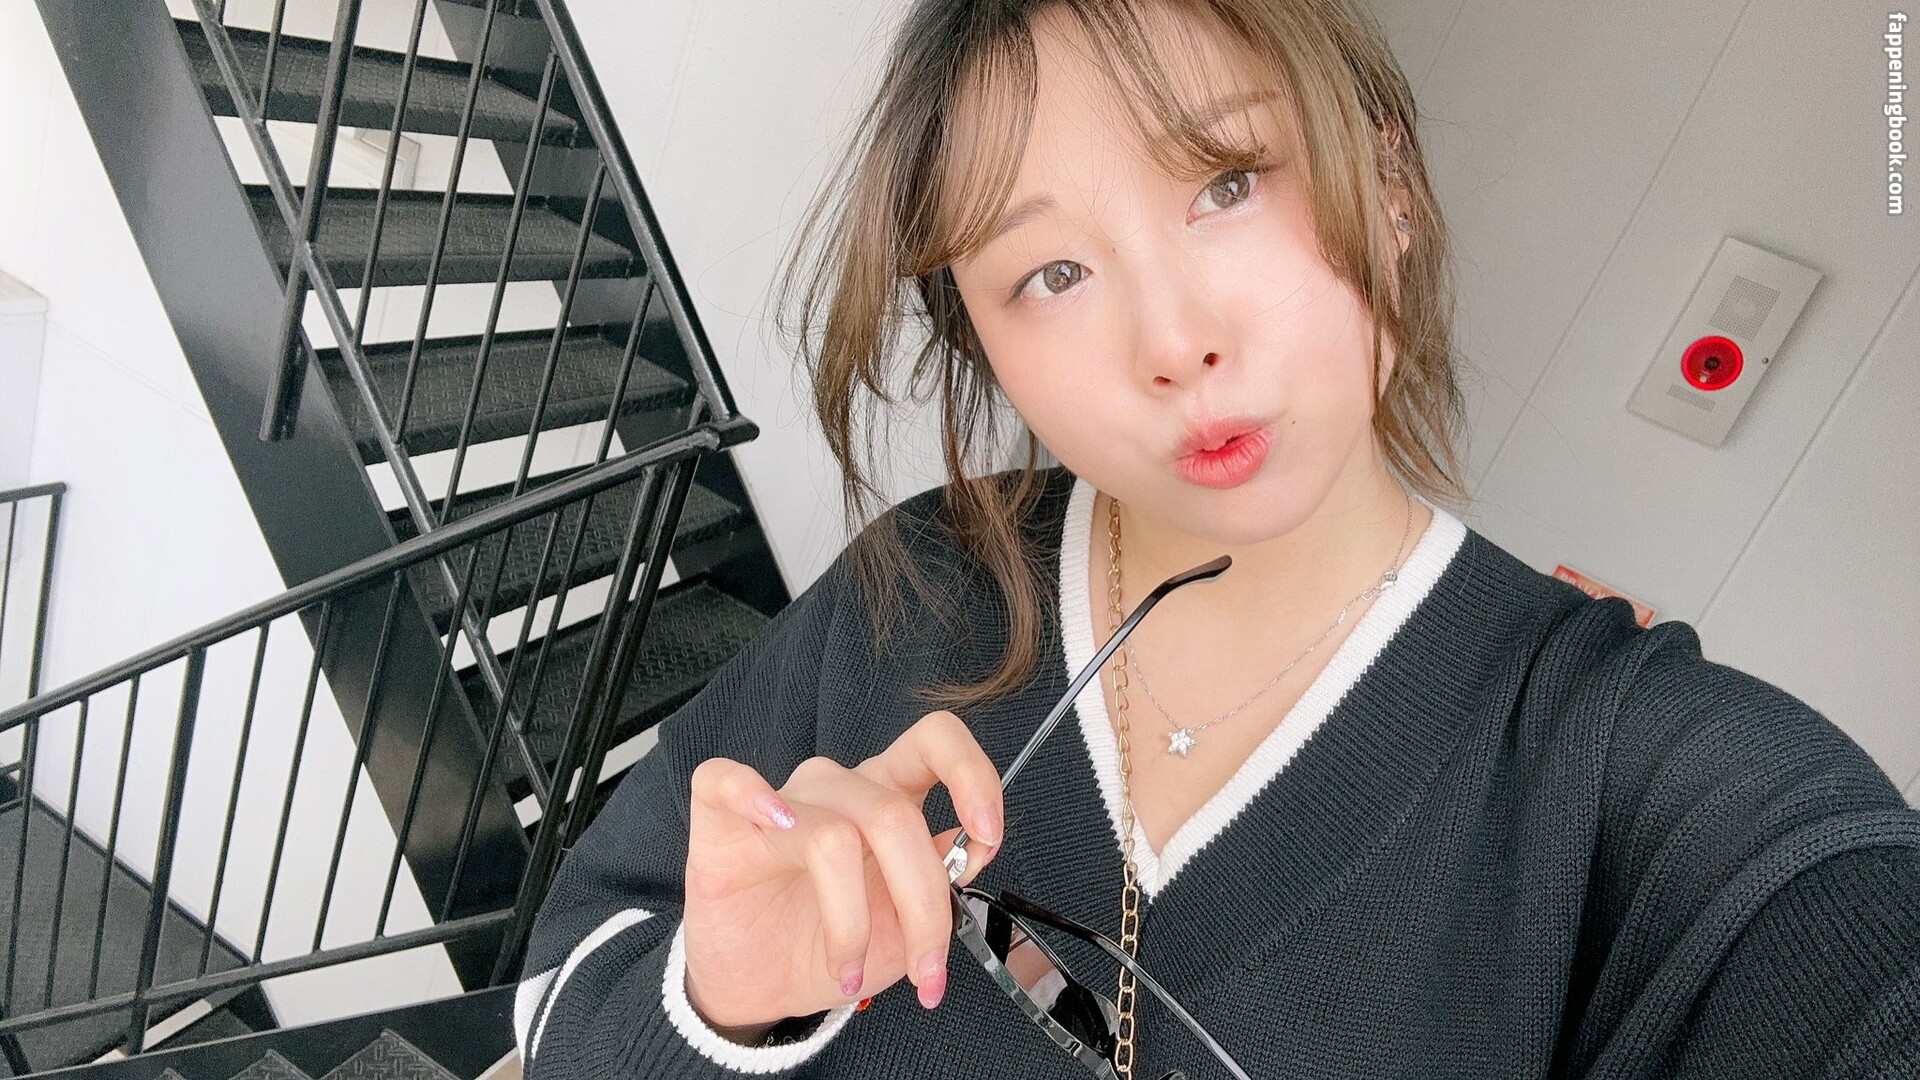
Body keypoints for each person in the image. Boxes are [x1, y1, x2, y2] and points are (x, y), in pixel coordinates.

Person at [511, 0, 1920, 1076]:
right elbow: (570, 972)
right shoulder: (922, 580)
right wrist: (724, 1006)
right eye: (1052, 272)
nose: (1174, 340)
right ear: (987, 345)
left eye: (1228, 182)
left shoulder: (1642, 780)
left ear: (1389, 180)